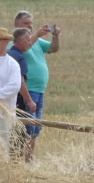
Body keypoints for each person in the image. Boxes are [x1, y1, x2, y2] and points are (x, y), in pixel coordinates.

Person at [13, 11, 61, 163]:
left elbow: (53, 49)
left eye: (31, 22)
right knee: (27, 127)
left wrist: (55, 36)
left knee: (35, 128)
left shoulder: (36, 41)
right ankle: (21, 160)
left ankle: (29, 159)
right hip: (28, 89)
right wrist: (37, 36)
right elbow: (23, 48)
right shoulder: (14, 40)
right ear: (17, 24)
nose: (30, 25)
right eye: (26, 23)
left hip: (39, 89)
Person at [7, 28, 38, 161]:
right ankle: (16, 164)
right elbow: (20, 82)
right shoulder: (19, 57)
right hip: (17, 103)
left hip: (4, 101)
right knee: (18, 134)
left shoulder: (7, 55)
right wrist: (30, 101)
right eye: (28, 39)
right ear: (19, 41)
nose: (29, 43)